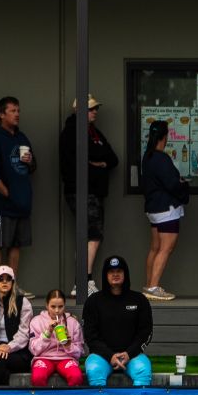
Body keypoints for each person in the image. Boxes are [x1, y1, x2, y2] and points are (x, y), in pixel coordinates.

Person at [58, 96, 119, 292]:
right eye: (91, 109)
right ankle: (83, 281)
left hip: (95, 191)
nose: (95, 112)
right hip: (81, 190)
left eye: (95, 109)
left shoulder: (94, 132)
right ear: (79, 111)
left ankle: (83, 280)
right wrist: (96, 163)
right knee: (91, 234)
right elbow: (74, 164)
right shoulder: (71, 131)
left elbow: (112, 157)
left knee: (92, 234)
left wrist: (97, 162)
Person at [0, 95, 35, 284]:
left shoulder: (22, 137)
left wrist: (30, 162)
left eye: (18, 110)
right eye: (13, 111)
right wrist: (7, 193)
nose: (17, 114)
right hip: (1, 204)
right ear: (1, 114)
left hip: (22, 202)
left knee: (16, 244)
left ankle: (11, 285)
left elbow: (33, 167)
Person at [81, 254, 153, 387]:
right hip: (102, 357)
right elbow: (90, 336)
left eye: (119, 271)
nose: (115, 274)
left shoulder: (140, 300)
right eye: (111, 271)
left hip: (132, 356)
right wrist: (110, 356)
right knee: (94, 371)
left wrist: (129, 353)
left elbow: (145, 332)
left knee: (143, 371)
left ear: (125, 274)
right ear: (105, 275)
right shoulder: (93, 301)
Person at [140, 120, 186, 301]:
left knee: (155, 247)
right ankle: (153, 286)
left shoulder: (148, 156)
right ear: (165, 136)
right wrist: (183, 185)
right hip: (167, 209)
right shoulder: (161, 157)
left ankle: (149, 284)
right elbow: (172, 183)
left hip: (153, 207)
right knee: (165, 249)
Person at [26, 287, 86, 387]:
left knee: (76, 376)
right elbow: (34, 350)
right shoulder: (36, 321)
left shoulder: (72, 322)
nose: (57, 311)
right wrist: (47, 333)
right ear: (46, 305)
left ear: (65, 306)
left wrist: (68, 345)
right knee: (38, 377)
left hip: (66, 358)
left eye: (60, 307)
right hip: (43, 357)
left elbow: (80, 352)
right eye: (53, 307)